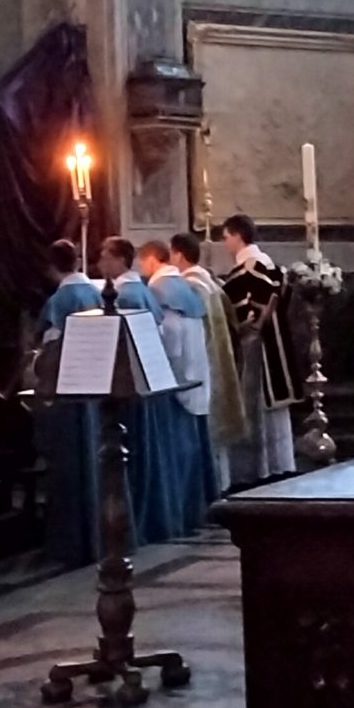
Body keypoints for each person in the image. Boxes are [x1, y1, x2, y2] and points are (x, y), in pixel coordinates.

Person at [135, 239, 214, 539]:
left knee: (177, 452)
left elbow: (170, 335)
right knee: (191, 448)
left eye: (142, 262)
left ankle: (176, 512)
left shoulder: (160, 289)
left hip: (174, 376)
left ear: (151, 260)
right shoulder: (184, 286)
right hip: (196, 372)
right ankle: (194, 510)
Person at [35, 239, 105, 565]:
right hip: (96, 387)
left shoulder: (60, 300)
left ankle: (70, 542)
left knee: (68, 466)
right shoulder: (95, 292)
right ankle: (97, 536)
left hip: (67, 390)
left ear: (52, 268)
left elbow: (51, 350)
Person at [218, 214, 297, 485]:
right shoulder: (270, 265)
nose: (225, 244)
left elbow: (241, 313)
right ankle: (277, 463)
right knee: (269, 408)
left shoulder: (249, 269)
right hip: (274, 344)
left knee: (253, 404)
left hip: (256, 346)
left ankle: (255, 469)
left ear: (238, 236)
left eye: (226, 237)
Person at [172, 233, 248, 490]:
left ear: (178, 255)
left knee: (209, 431)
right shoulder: (210, 283)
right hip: (220, 357)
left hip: (204, 362)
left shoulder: (189, 287)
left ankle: (212, 487)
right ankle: (222, 484)